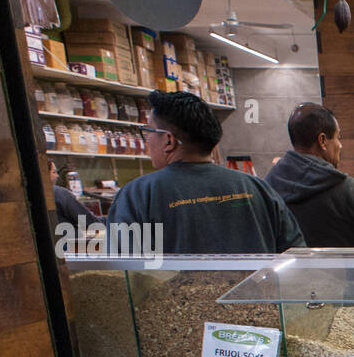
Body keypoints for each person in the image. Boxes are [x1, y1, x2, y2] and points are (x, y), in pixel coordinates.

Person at [107, 90, 303, 253]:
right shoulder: (257, 188)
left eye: (148, 132)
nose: (146, 140)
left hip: (173, 300)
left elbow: (124, 272)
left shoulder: (138, 195)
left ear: (168, 140)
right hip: (255, 298)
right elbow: (295, 255)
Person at [265, 103, 354, 248]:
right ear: (322, 141)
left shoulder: (269, 185)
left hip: (290, 271)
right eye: (337, 137)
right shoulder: (341, 187)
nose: (340, 145)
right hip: (340, 271)